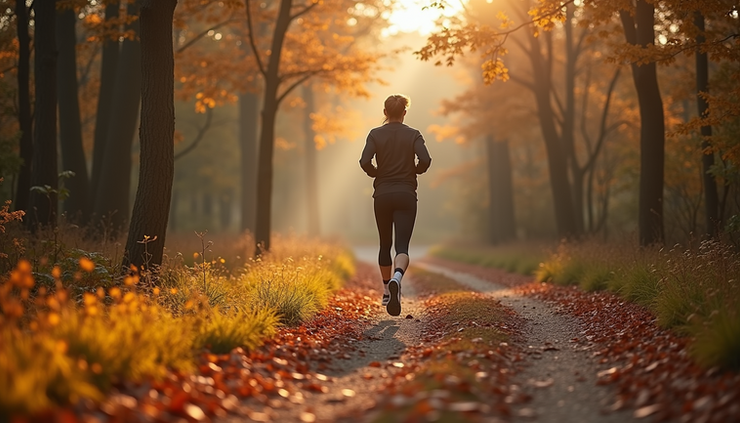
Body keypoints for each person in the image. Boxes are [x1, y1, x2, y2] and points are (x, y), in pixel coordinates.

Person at [359, 94, 432, 316]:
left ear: (384, 112)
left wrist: (377, 174)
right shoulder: (413, 135)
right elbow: (426, 160)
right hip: (406, 194)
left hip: (382, 194)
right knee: (402, 246)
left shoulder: (375, 134)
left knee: (384, 244)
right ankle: (397, 278)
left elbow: (364, 162)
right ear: (404, 113)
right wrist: (414, 171)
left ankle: (386, 291)